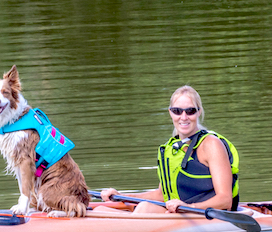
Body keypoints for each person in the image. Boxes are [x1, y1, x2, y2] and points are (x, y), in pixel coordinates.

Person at [101, 86, 239, 213]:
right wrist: (120, 196)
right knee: (103, 210)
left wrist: (188, 208)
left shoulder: (211, 144)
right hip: (184, 214)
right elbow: (162, 195)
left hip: (208, 216)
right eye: (177, 111)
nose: (183, 117)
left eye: (190, 111)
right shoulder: (171, 149)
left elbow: (225, 200)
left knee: (145, 208)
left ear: (199, 112)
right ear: (170, 113)